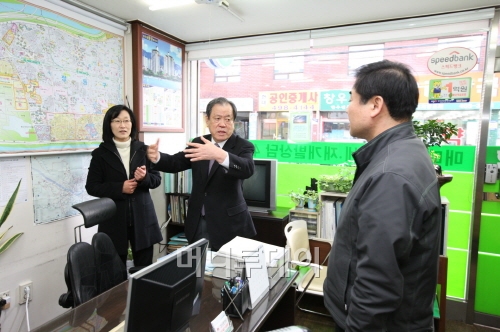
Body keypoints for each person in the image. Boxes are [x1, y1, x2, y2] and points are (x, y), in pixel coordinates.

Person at [323, 60, 442, 332]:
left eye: (352, 99)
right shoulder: (403, 152)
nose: (347, 108)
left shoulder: (391, 175)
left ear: (375, 105)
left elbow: (378, 281)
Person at [147, 97, 256, 251]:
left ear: (234, 122)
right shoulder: (199, 142)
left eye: (228, 119)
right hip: (198, 219)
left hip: (229, 223)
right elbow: (176, 162)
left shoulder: (243, 146)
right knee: (198, 268)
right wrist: (157, 157)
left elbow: (247, 169)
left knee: (227, 271)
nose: (222, 124)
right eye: (217, 118)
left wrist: (219, 154)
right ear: (207, 120)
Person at [86, 105, 162, 267]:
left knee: (144, 271)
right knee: (113, 272)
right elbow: (92, 186)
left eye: (126, 121)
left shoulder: (143, 150)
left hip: (143, 219)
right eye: (117, 121)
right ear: (109, 125)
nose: (123, 125)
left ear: (132, 124)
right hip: (113, 220)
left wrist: (145, 178)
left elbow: (156, 180)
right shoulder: (100, 154)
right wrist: (120, 188)